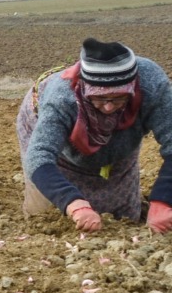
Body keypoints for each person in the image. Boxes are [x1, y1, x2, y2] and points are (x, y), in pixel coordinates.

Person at [18, 38, 172, 233]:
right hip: (60, 146)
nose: (108, 107)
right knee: (50, 217)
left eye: (118, 98)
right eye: (99, 98)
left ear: (132, 89)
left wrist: (163, 200)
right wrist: (74, 204)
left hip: (122, 141)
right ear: (85, 89)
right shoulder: (61, 98)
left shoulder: (152, 84)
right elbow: (39, 157)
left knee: (124, 216)